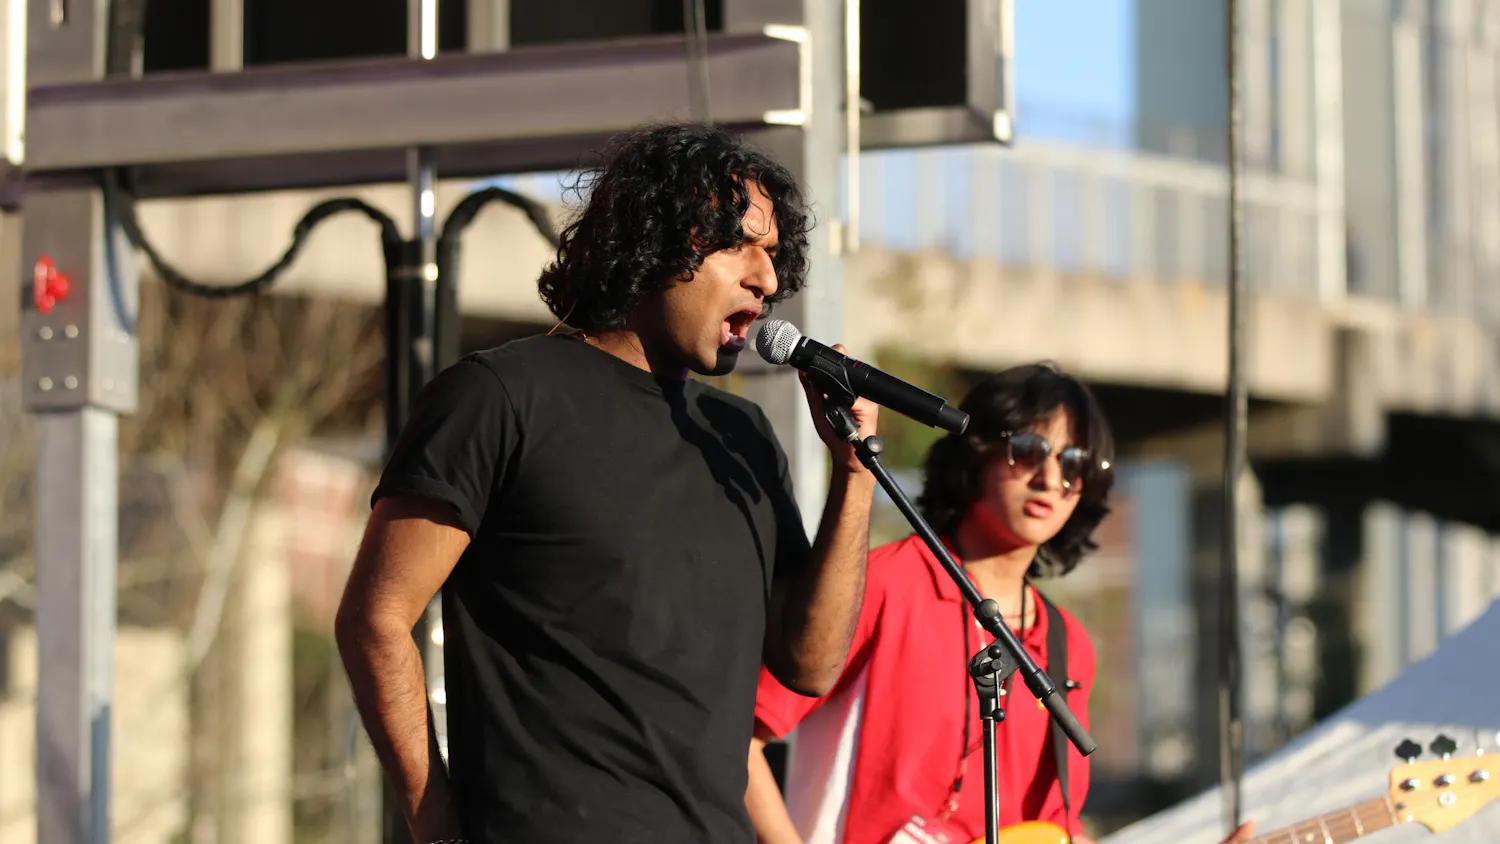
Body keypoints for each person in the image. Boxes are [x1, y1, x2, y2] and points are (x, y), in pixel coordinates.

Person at [335, 123, 879, 844]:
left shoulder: (741, 439)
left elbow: (809, 665)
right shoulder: (501, 396)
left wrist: (853, 473)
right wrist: (437, 823)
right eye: (736, 244)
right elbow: (375, 618)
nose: (767, 279)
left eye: (774, 254)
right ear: (651, 241)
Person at [745, 365, 1257, 844]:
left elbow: (1056, 829)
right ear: (977, 452)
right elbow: (742, 740)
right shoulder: (885, 582)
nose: (1051, 479)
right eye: (1030, 449)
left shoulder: (1068, 643)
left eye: (1075, 464)